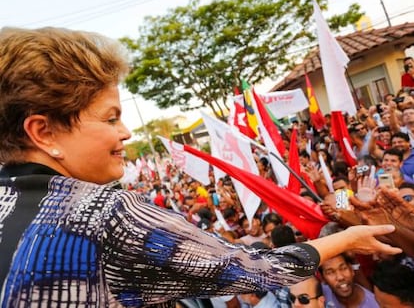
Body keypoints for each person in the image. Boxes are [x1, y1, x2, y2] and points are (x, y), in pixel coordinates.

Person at [0, 27, 402, 307]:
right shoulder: (104, 214)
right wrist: (348, 239)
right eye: (109, 118)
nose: (125, 133)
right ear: (44, 132)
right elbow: (254, 270)